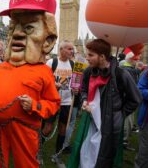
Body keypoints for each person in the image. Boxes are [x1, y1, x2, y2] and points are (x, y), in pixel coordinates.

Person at [0, 0, 61, 167]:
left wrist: (34, 105)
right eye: (13, 27)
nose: (16, 33)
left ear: (48, 40)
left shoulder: (43, 71)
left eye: (29, 28)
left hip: (25, 130)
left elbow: (53, 103)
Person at [68, 39, 141, 168]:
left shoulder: (120, 74)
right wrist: (84, 100)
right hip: (89, 120)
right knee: (86, 149)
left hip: (110, 124)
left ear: (102, 57)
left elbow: (135, 99)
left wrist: (120, 113)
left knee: (104, 156)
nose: (87, 58)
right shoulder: (89, 72)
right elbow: (83, 89)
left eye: (91, 55)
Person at [43, 40, 78, 164]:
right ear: (61, 49)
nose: (71, 51)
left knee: (63, 129)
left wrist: (76, 88)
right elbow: (44, 81)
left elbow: (76, 83)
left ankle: (57, 156)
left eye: (72, 49)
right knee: (47, 128)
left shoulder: (74, 65)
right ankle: (37, 151)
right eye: (69, 49)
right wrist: (53, 85)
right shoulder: (51, 62)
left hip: (67, 102)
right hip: (52, 100)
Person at [120, 51, 140, 151]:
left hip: (125, 100)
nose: (137, 61)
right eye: (136, 60)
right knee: (127, 122)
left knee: (126, 122)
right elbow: (132, 88)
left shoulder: (125, 69)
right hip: (127, 101)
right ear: (132, 60)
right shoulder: (129, 71)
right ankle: (123, 141)